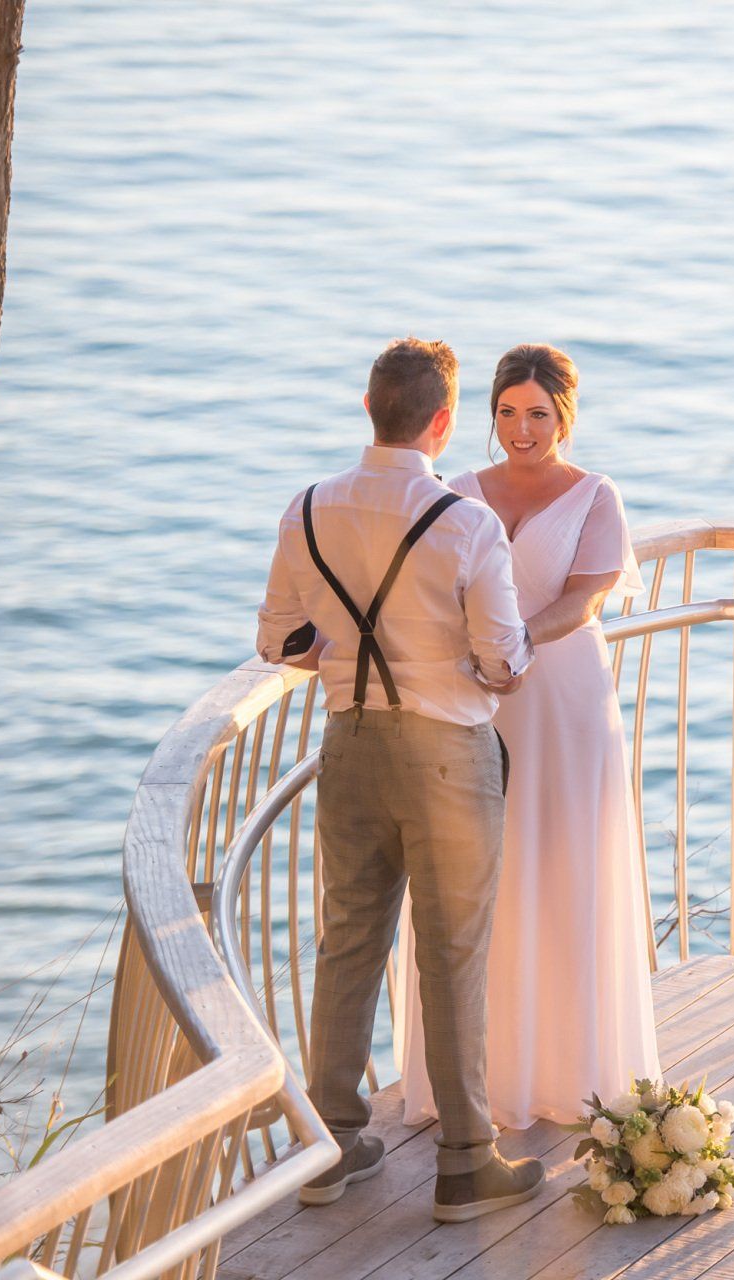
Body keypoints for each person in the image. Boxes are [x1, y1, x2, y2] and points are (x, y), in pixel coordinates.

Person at [254, 337, 546, 1223]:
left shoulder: (308, 509)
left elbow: (276, 641)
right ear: (444, 421)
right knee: (451, 951)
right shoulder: (464, 522)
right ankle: (466, 1160)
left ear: (370, 411)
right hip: (448, 755)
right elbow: (504, 664)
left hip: (349, 744)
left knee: (348, 941)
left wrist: (338, 652)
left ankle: (329, 1144)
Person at [392, 343, 662, 1127]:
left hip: (564, 703)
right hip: (477, 700)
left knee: (563, 868)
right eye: (507, 413)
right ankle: (479, 1079)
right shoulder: (455, 491)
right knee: (479, 879)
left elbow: (583, 599)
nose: (520, 428)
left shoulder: (595, 496)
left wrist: (514, 645)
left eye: (537, 414)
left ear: (564, 418)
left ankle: (567, 1073)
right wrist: (477, 658)